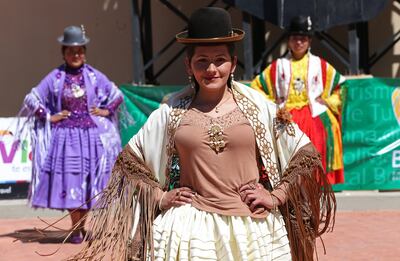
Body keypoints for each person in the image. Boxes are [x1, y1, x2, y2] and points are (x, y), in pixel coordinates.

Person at [69, 8, 335, 261]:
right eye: (202, 61)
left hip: (253, 231)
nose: (211, 69)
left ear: (233, 63)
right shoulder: (170, 113)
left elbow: (305, 153)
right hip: (188, 232)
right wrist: (160, 197)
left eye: (220, 60)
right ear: (188, 65)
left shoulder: (260, 108)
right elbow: (130, 163)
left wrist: (275, 195)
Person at [22, 25, 124, 244]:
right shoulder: (55, 77)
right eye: (71, 51)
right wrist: (49, 116)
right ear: (64, 53)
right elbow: (31, 99)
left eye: (79, 51)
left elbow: (117, 95)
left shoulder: (95, 77)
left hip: (91, 139)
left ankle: (81, 227)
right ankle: (75, 228)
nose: (76, 55)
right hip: (66, 140)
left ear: (84, 52)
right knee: (71, 183)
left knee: (88, 183)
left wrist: (106, 111)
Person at [251, 15, 345, 185]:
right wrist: (271, 104)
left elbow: (341, 86)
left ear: (309, 41)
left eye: (303, 39)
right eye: (295, 38)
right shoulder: (277, 66)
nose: (298, 43)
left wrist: (328, 101)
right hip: (285, 116)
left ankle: (315, 184)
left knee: (318, 145)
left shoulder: (321, 65)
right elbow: (256, 87)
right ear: (289, 41)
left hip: (313, 115)